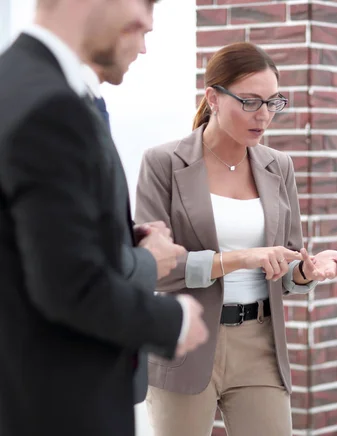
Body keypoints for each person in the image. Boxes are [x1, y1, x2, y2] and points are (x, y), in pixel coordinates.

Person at [0, 1, 208, 435]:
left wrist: (114, 237)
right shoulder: (52, 108)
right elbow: (69, 287)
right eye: (146, 5)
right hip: (57, 408)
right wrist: (174, 321)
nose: (148, 24)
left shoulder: (16, 83)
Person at [135, 41, 337, 436]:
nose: (264, 115)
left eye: (273, 102)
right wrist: (240, 259)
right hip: (185, 339)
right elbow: (151, 269)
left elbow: (284, 266)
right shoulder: (163, 163)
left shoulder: (278, 166)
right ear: (213, 98)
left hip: (261, 344)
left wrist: (304, 271)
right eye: (251, 102)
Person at [82, 0, 157, 405]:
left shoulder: (91, 105)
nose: (143, 48)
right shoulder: (50, 109)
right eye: (139, 29)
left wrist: (129, 239)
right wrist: (149, 260)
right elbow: (66, 267)